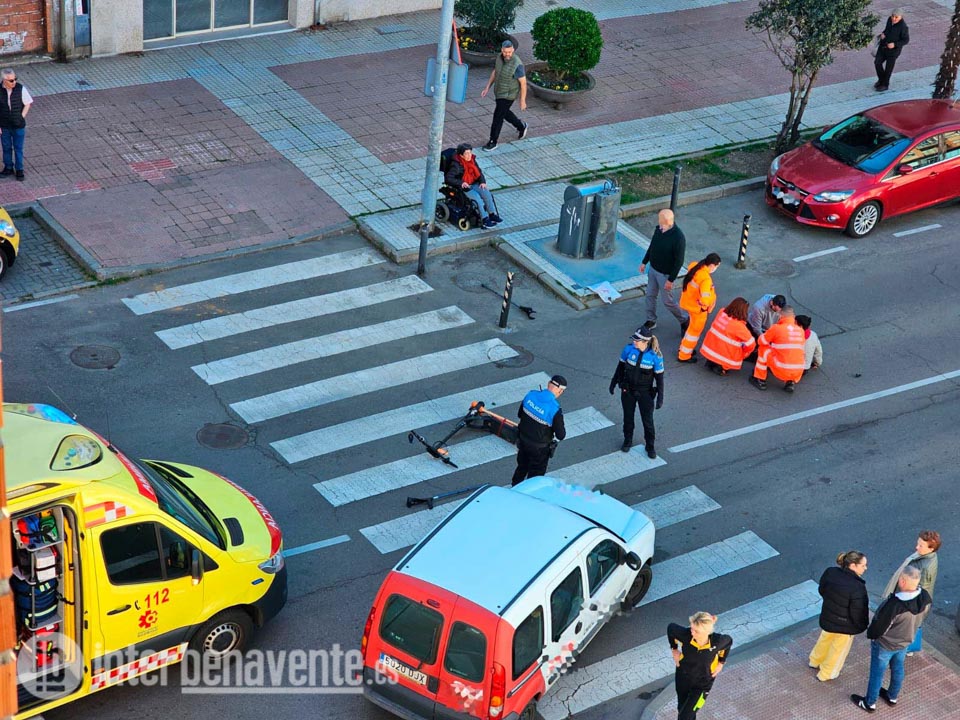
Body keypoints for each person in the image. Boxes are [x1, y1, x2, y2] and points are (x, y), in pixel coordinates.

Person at [851, 565, 931, 713]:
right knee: (898, 668)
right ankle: (892, 696)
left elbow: (879, 628)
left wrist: (871, 635)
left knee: (877, 673)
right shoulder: (925, 597)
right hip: (905, 642)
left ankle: (870, 703)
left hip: (885, 645)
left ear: (903, 581)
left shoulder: (894, 605)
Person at [809, 551, 869, 682]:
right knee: (838, 650)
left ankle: (815, 660)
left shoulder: (830, 572)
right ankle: (827, 673)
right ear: (853, 565)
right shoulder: (857, 587)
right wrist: (861, 625)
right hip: (845, 625)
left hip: (828, 616)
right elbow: (858, 611)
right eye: (863, 565)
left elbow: (822, 590)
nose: (865, 568)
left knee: (825, 639)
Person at [882, 530, 940, 656]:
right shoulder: (926, 555)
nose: (916, 547)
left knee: (906, 627)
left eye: (921, 545)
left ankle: (905, 649)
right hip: (909, 600)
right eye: (918, 543)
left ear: (931, 549)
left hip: (910, 604)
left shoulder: (926, 567)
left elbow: (918, 592)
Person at [609, 326, 665, 458]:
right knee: (628, 418)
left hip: (645, 393)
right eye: (634, 339)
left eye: (637, 340)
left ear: (645, 341)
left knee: (648, 421)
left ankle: (650, 446)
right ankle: (627, 440)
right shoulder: (628, 349)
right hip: (627, 390)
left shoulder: (655, 356)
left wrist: (660, 398)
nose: (634, 342)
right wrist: (613, 382)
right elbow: (620, 368)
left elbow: (659, 379)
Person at [667, 612, 732, 720]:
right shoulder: (686, 635)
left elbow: (728, 642)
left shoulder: (717, 642)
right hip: (683, 678)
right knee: (683, 710)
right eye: (692, 628)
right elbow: (671, 628)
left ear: (706, 632)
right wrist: (674, 649)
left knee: (685, 716)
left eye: (696, 631)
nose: (692, 632)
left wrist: (721, 662)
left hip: (703, 684)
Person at [511, 375, 566, 486]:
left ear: (548, 384)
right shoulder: (554, 409)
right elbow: (561, 435)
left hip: (523, 441)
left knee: (521, 467)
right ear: (560, 391)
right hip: (539, 450)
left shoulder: (531, 395)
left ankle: (514, 487)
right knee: (535, 478)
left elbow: (520, 414)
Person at [639, 209, 687, 334]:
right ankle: (651, 320)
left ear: (667, 222)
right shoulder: (659, 230)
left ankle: (684, 320)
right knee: (650, 295)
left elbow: (679, 261)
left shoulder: (678, 238)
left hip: (665, 275)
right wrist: (644, 262)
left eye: (660, 220)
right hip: (653, 270)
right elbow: (652, 246)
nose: (658, 223)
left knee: (668, 301)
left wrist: (671, 280)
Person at [480, 40, 528, 152]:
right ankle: (521, 126)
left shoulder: (517, 64)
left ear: (513, 50)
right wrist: (487, 87)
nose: (507, 54)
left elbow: (523, 83)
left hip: (509, 94)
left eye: (510, 52)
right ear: (502, 50)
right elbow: (495, 72)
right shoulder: (499, 58)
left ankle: (493, 141)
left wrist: (522, 101)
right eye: (505, 52)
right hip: (499, 91)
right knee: (504, 113)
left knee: (498, 117)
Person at [444, 143, 501, 228]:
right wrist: (461, 183)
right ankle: (484, 219)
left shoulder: (472, 160)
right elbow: (448, 178)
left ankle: (492, 214)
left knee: (487, 194)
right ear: (461, 155)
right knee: (477, 200)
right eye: (466, 153)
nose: (469, 155)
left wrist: (482, 182)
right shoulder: (456, 166)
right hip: (464, 187)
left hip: (475, 183)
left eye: (470, 152)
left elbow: (479, 172)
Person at [677, 253, 721, 363]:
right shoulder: (705, 279)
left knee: (690, 329)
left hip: (690, 304)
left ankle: (684, 349)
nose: (716, 269)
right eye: (717, 266)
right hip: (698, 310)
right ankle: (684, 355)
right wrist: (706, 306)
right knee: (693, 333)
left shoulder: (695, 267)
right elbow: (705, 299)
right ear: (712, 265)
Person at [751, 306, 806, 392]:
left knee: (763, 349)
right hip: (797, 372)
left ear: (780, 316)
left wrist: (767, 335)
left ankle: (759, 379)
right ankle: (790, 382)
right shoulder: (801, 331)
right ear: (793, 317)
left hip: (781, 369)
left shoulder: (776, 328)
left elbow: (761, 341)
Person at [700, 297, 755, 376]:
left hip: (710, 347)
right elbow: (751, 344)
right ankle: (722, 367)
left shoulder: (721, 312)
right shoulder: (739, 326)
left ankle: (711, 362)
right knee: (739, 347)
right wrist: (744, 353)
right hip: (724, 353)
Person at [0, 68, 33, 182]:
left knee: (18, 148)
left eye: (15, 79)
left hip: (18, 125)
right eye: (11, 80)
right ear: (4, 80)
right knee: (6, 147)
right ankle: (8, 167)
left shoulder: (20, 89)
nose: (14, 82)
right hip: (4, 125)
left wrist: (21, 117)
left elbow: (28, 103)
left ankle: (19, 169)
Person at [874, 10, 909, 92]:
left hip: (893, 51)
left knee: (888, 68)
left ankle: (885, 85)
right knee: (877, 62)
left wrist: (895, 44)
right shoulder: (889, 20)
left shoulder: (903, 27)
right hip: (883, 46)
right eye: (892, 16)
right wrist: (883, 34)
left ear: (901, 17)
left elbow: (906, 40)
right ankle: (881, 80)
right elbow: (887, 29)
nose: (894, 18)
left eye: (896, 17)